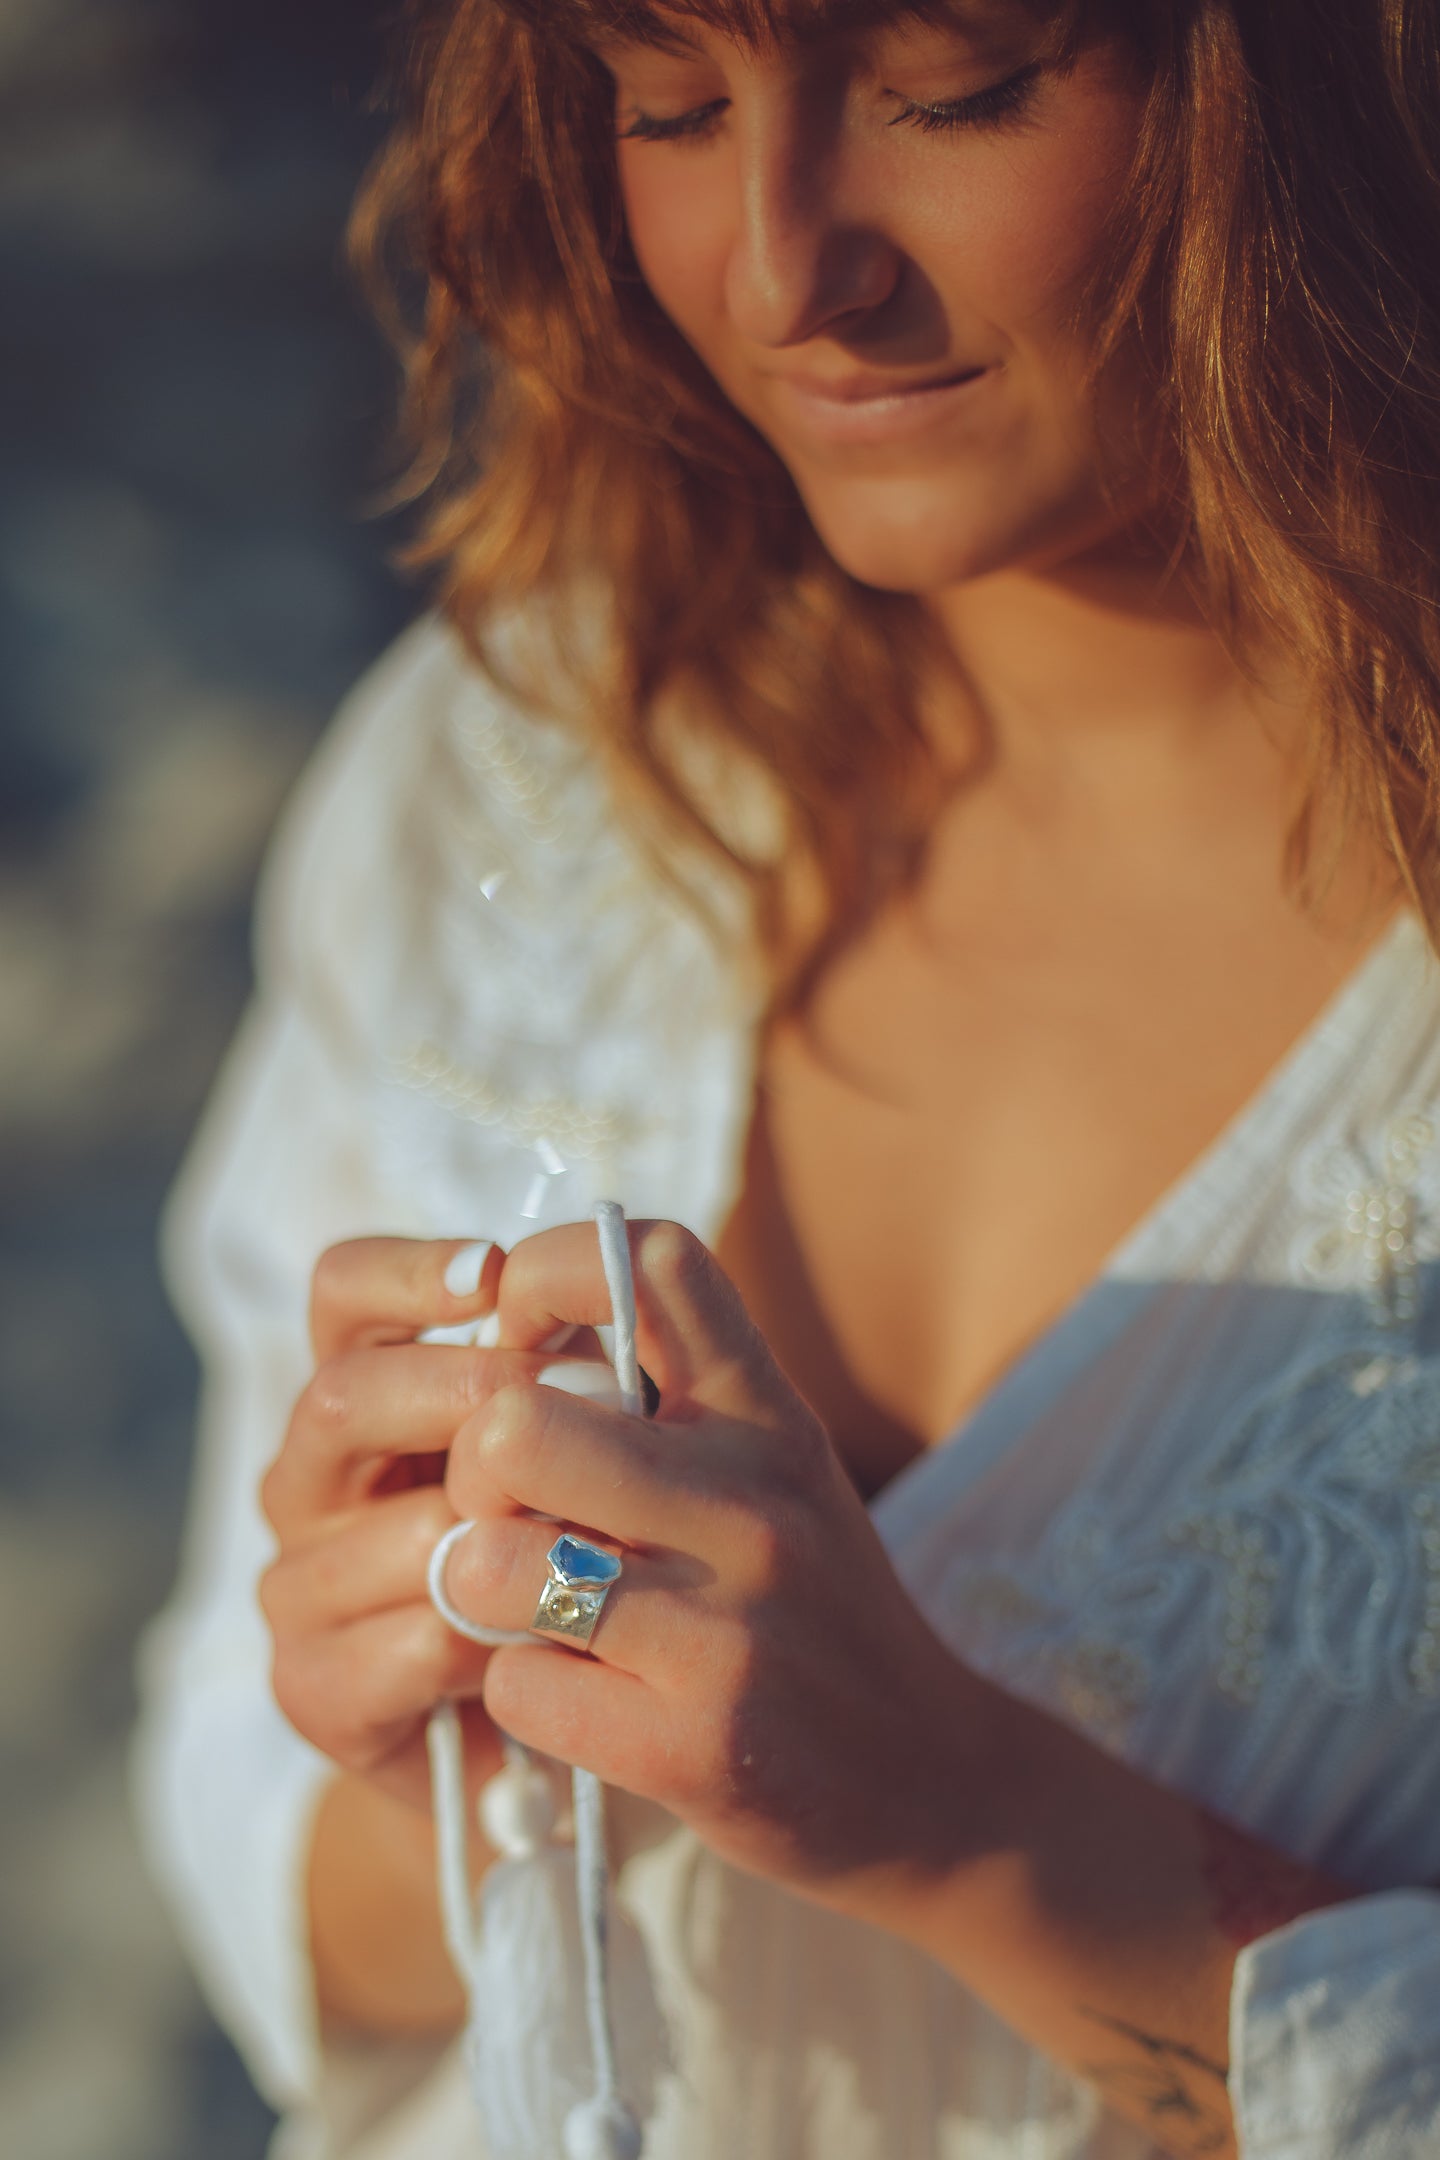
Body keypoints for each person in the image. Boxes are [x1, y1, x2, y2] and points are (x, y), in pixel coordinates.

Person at [133, 0, 1440, 2154]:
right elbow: (242, 1819)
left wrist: (965, 1823)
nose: (780, 266)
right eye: (672, 98)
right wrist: (429, 1771)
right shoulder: (515, 766)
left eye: (962, 86)